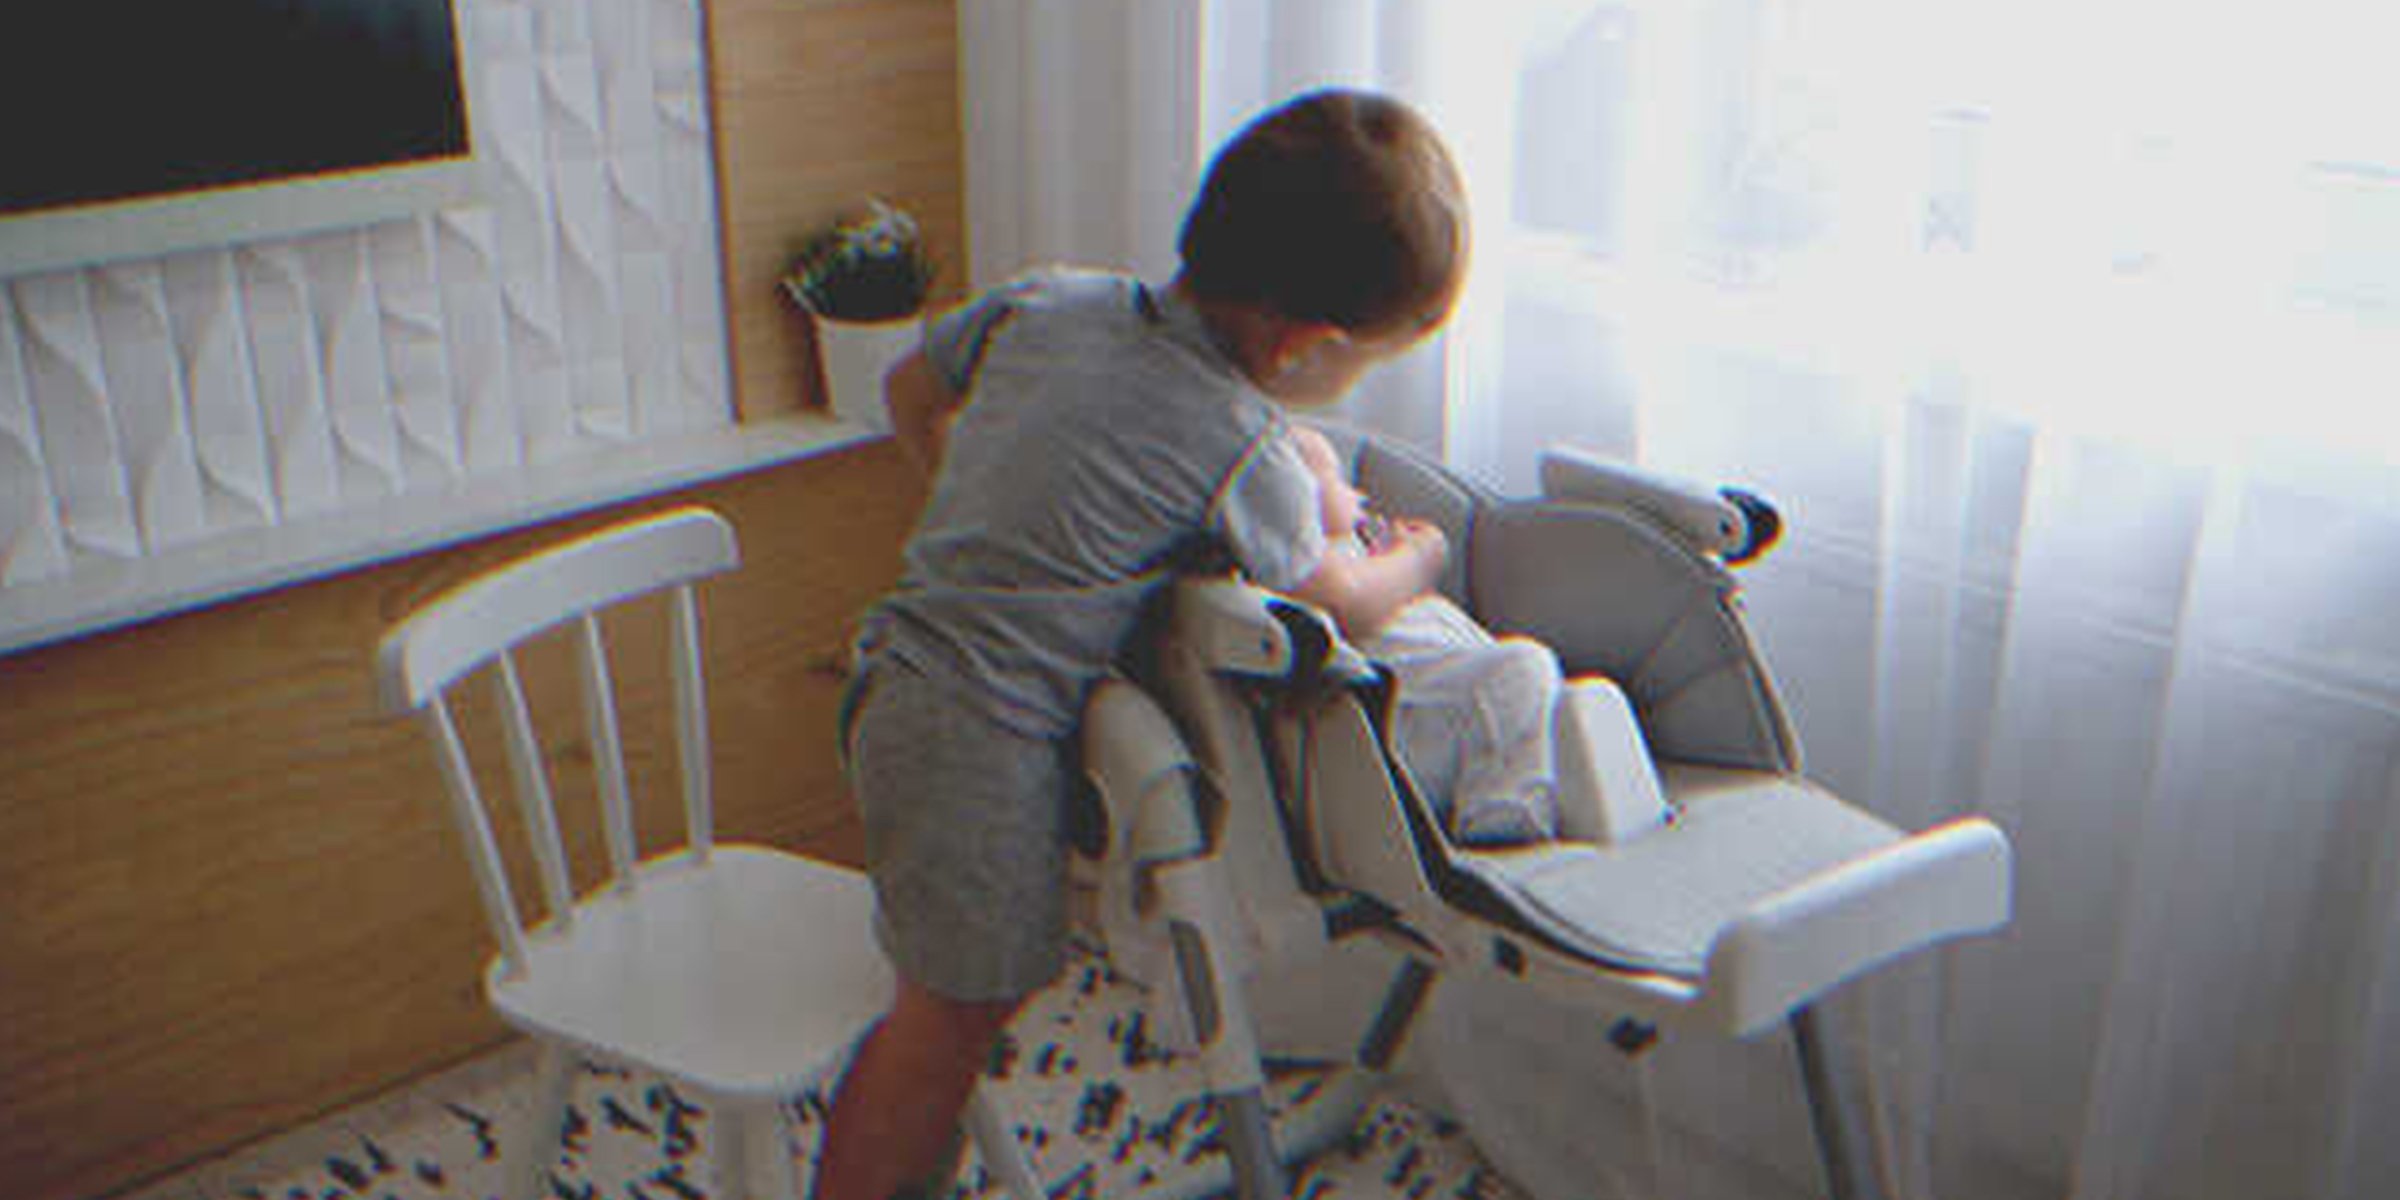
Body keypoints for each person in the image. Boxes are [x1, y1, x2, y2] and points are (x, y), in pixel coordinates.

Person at [813, 89, 1470, 1200]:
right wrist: (1421, 555)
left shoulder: (1052, 300)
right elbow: (1339, 603)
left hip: (896, 676)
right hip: (976, 737)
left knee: (962, 999)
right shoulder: (1236, 436)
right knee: (946, 1024)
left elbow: (909, 388)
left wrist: (993, 518)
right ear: (1306, 345)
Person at [1290, 425, 1564, 846]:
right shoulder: (1309, 562)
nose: (1359, 494)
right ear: (1294, 495)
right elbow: (1351, 609)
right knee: (1524, 664)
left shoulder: (1358, 555)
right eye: (1339, 481)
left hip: (1440, 706)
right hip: (1397, 729)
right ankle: (1499, 814)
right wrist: (1415, 558)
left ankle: (1539, 781)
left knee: (1545, 691)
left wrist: (1399, 568)